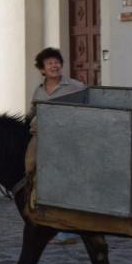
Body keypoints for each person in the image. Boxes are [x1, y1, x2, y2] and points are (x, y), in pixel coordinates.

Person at [30, 47, 86, 243]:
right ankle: (52, 223)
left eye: (57, 62)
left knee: (68, 185)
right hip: (46, 145)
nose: (54, 66)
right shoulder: (39, 90)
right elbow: (33, 114)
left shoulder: (76, 87)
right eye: (49, 63)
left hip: (70, 144)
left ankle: (72, 228)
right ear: (42, 69)